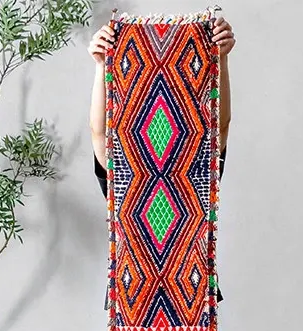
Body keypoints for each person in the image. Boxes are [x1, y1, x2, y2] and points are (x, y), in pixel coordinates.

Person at [88, 16, 236, 310]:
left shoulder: (195, 171)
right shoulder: (127, 173)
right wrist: (102, 65)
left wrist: (219, 60)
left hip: (187, 297)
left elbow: (218, 127)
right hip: (136, 300)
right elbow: (100, 132)